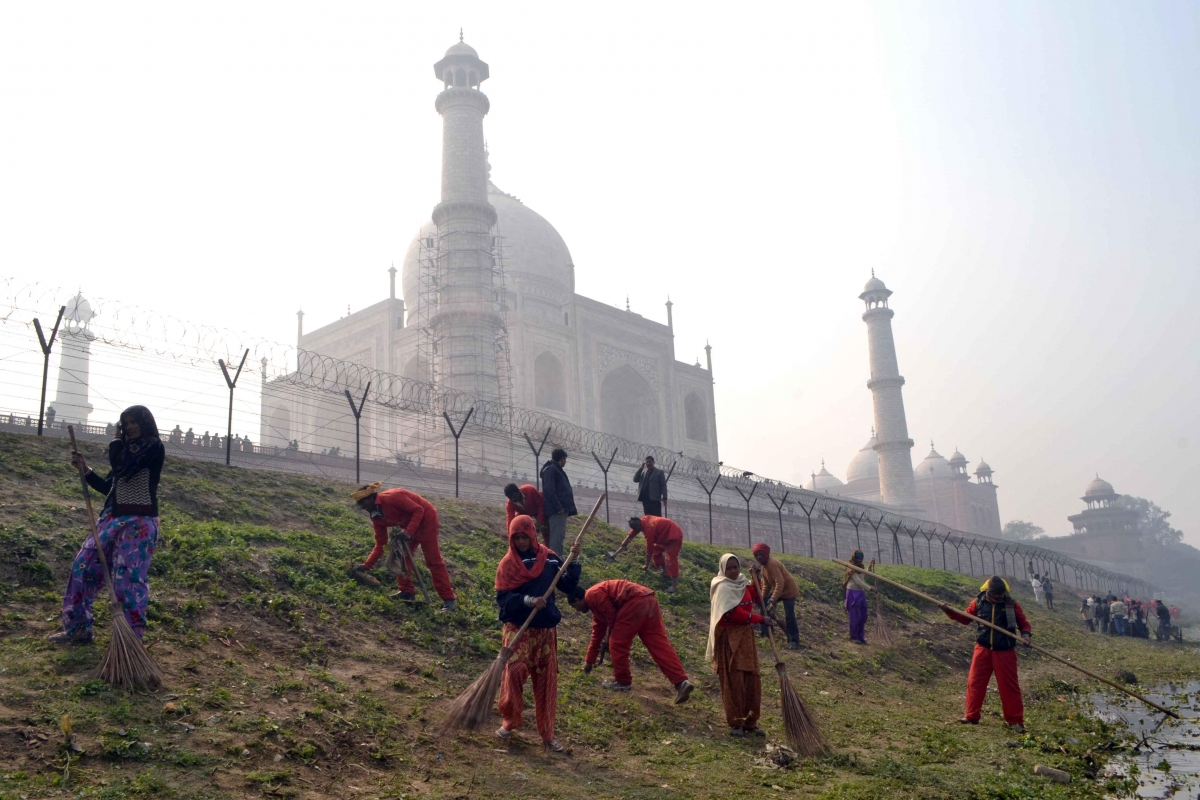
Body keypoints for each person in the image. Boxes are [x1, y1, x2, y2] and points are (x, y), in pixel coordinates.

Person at [50, 406, 165, 645]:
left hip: (139, 524)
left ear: (145, 423)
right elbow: (109, 487)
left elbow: (123, 465)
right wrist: (85, 471)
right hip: (111, 519)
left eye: (134, 422)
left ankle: (130, 641)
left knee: (128, 583)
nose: (130, 427)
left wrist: (114, 442)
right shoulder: (125, 452)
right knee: (83, 568)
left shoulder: (152, 447)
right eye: (125, 423)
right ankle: (78, 629)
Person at [495, 515, 581, 752]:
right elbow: (502, 599)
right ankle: (510, 721)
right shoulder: (508, 564)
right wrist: (528, 600)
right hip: (518, 628)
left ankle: (547, 734)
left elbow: (567, 585)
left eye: (525, 536)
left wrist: (573, 561)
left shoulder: (551, 559)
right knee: (514, 670)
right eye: (517, 537)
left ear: (532, 535)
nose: (521, 541)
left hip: (544, 630)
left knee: (546, 681)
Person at [570, 579, 693, 702]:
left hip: (635, 602)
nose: (577, 610)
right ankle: (681, 682)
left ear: (577, 600)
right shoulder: (596, 606)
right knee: (659, 645)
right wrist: (589, 662)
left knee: (617, 643)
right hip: (649, 600)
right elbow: (597, 635)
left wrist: (609, 638)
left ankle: (623, 681)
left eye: (575, 607)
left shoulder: (592, 594)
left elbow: (611, 615)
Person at [941, 577, 1032, 733]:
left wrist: (1026, 635)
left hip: (1005, 651)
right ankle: (971, 715)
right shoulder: (978, 602)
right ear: (989, 592)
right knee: (975, 682)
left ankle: (1016, 721)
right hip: (982, 649)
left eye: (1002, 594)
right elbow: (965, 618)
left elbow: (1024, 623)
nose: (1000, 597)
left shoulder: (1011, 605)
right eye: (997, 595)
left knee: (1009, 687)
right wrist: (950, 612)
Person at [349, 482, 456, 611]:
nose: (363, 507)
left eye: (363, 503)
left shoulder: (393, 497)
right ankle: (407, 592)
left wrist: (408, 532)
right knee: (401, 557)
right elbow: (381, 543)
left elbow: (418, 510)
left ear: (372, 498)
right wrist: (366, 565)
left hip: (427, 520)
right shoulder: (376, 517)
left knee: (433, 561)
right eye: (360, 505)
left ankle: (449, 599)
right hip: (408, 525)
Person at [707, 553, 770, 737]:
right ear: (723, 569)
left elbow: (756, 599)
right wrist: (760, 619)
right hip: (730, 638)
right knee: (734, 678)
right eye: (730, 568)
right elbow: (734, 613)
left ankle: (751, 721)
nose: (734, 571)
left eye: (736, 567)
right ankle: (736, 723)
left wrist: (756, 579)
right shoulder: (722, 587)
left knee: (751, 677)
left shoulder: (743, 583)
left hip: (746, 637)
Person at [613, 515, 684, 593]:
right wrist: (625, 542)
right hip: (663, 536)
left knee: (671, 559)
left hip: (673, 536)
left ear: (639, 526)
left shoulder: (648, 529)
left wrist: (646, 565)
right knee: (656, 551)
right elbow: (634, 531)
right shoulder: (643, 520)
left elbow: (649, 548)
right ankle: (665, 571)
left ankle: (674, 586)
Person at [750, 542, 801, 649]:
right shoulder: (764, 567)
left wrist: (773, 598)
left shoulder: (772, 563)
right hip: (779, 591)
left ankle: (794, 640)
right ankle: (767, 633)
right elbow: (766, 585)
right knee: (764, 607)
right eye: (757, 555)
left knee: (789, 616)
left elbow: (780, 582)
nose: (759, 557)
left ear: (766, 554)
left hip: (789, 591)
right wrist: (762, 598)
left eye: (761, 554)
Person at [540, 448, 577, 555]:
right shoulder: (551, 470)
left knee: (559, 537)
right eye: (565, 459)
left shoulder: (555, 469)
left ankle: (558, 561)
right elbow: (549, 490)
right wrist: (558, 507)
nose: (565, 461)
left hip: (559, 510)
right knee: (556, 539)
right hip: (556, 511)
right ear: (562, 458)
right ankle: (555, 562)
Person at [843, 550, 874, 644]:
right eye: (858, 558)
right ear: (854, 557)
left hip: (860, 593)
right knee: (855, 616)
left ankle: (861, 637)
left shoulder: (860, 567)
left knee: (863, 616)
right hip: (853, 593)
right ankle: (854, 637)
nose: (860, 560)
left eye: (861, 558)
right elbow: (859, 582)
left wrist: (870, 566)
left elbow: (863, 575)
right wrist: (871, 588)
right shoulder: (851, 568)